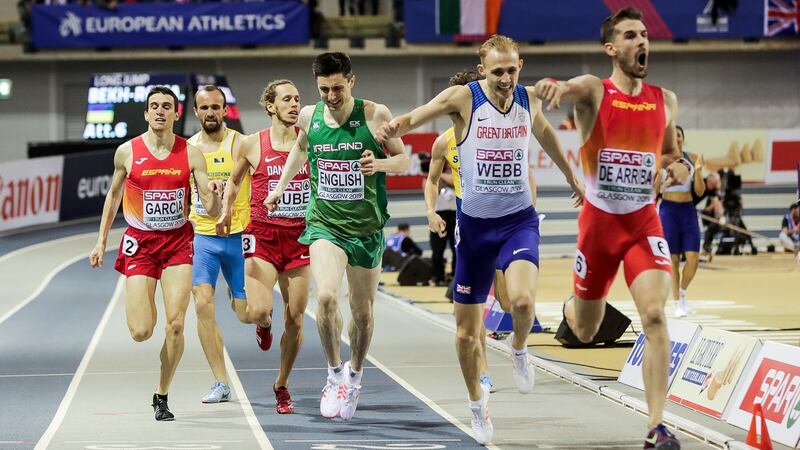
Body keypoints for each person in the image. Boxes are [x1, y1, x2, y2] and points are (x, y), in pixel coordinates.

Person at [378, 35, 584, 444]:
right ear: (481, 69)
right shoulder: (464, 98)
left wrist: (569, 174)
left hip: (518, 221)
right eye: (497, 72)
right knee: (465, 334)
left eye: (512, 70)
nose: (506, 79)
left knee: (522, 302)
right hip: (474, 230)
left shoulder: (529, 99)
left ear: (520, 65)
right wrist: (397, 125)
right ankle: (477, 404)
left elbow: (545, 135)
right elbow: (425, 112)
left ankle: (520, 349)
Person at [532, 7, 692, 449]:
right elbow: (566, 88)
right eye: (630, 36)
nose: (641, 42)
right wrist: (553, 87)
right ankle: (570, 305)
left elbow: (671, 154)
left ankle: (656, 427)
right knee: (585, 330)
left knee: (656, 315)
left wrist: (679, 168)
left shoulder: (666, 99)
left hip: (643, 222)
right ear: (611, 48)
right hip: (599, 227)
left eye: (644, 35)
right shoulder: (594, 91)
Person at [265, 53, 409, 421]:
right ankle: (333, 375)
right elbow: (300, 149)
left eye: (338, 88)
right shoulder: (310, 116)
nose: (331, 95)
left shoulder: (375, 115)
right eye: (324, 89)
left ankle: (355, 374)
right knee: (326, 296)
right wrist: (280, 188)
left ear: (352, 81)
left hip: (366, 229)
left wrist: (378, 164)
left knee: (362, 312)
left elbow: (404, 161)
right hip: (325, 225)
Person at [89, 86, 220, 421]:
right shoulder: (127, 152)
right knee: (141, 331)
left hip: (177, 242)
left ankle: (161, 395)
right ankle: (143, 299)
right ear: (146, 114)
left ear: (176, 114)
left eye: (167, 106)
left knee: (175, 325)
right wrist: (102, 240)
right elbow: (113, 196)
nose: (160, 111)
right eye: (154, 107)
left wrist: (216, 197)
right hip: (141, 243)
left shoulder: (191, 154)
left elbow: (209, 204)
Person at [216, 79, 311, 414]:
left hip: (300, 238)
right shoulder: (251, 143)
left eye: (297, 99)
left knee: (297, 319)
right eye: (287, 99)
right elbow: (234, 181)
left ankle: (281, 385)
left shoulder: (310, 141)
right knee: (257, 310)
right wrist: (227, 211)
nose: (294, 104)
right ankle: (264, 325)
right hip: (263, 237)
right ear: (270, 105)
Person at [186, 85, 253, 404]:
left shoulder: (242, 144)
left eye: (216, 107)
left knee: (247, 315)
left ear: (225, 111)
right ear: (196, 112)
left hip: (240, 237)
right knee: (201, 305)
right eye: (204, 108)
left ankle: (256, 312)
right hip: (203, 237)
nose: (210, 112)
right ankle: (220, 381)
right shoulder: (187, 149)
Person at [657, 125, 705, 317]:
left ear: (683, 138)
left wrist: (699, 172)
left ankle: (683, 293)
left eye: (678, 135)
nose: (675, 138)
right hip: (668, 211)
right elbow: (656, 189)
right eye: (672, 135)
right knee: (673, 260)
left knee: (693, 258)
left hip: (688, 210)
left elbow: (700, 191)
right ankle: (678, 302)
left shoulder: (692, 158)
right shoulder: (661, 159)